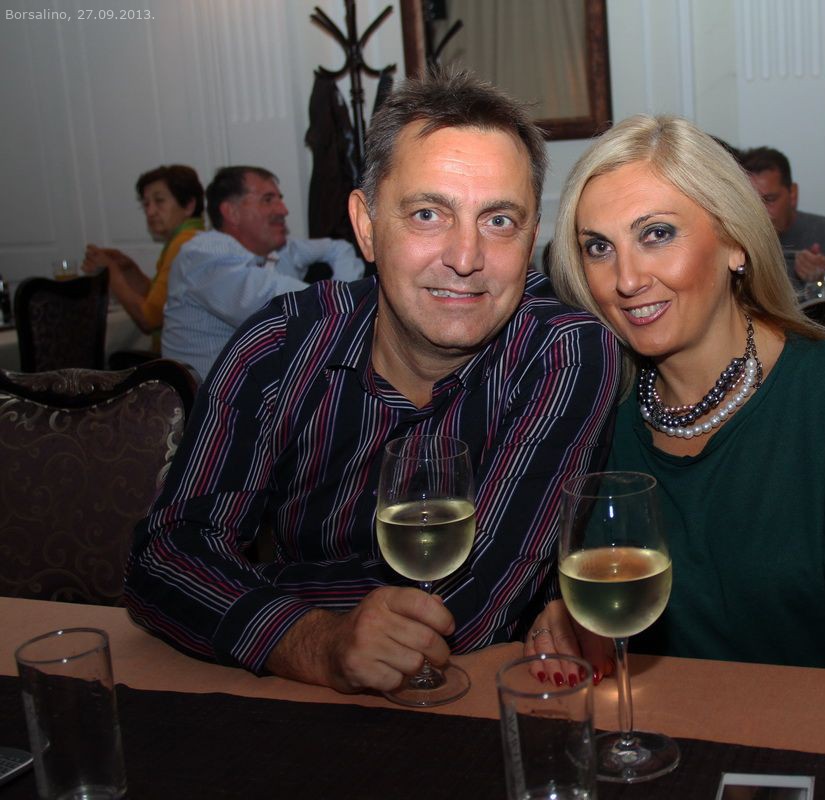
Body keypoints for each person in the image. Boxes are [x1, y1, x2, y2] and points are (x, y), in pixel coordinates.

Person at [124, 70, 622, 696]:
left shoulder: (565, 351)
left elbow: (478, 598)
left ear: (531, 241)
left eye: (499, 221)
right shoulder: (281, 344)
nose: (466, 258)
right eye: (427, 214)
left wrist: (250, 592)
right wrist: (312, 639)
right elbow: (166, 557)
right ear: (366, 226)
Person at [528, 114, 825, 682]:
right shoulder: (603, 406)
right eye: (598, 247)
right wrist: (563, 615)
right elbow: (606, 588)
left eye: (657, 234)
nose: (626, 279)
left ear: (735, 242)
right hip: (683, 722)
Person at [160, 166, 365, 379]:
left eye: (279, 199)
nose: (283, 210)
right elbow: (295, 308)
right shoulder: (203, 255)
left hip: (261, 389)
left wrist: (343, 298)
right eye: (268, 200)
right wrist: (344, 302)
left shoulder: (278, 248)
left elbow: (339, 248)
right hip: (210, 396)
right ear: (232, 212)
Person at [80, 165, 205, 350]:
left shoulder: (184, 244)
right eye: (146, 204)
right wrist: (128, 270)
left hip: (179, 359)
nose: (150, 211)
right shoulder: (193, 237)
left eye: (159, 201)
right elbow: (162, 303)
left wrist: (110, 273)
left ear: (188, 205)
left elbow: (148, 319)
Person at [739, 146, 825, 303]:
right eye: (751, 202)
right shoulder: (736, 245)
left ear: (793, 194)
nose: (760, 212)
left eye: (769, 200)